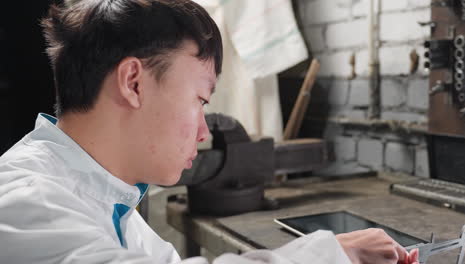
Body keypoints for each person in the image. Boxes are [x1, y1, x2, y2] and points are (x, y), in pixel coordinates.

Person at [0, 0, 419, 263]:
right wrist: (326, 254)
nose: (203, 132)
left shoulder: (112, 206)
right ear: (134, 82)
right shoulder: (21, 202)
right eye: (200, 100)